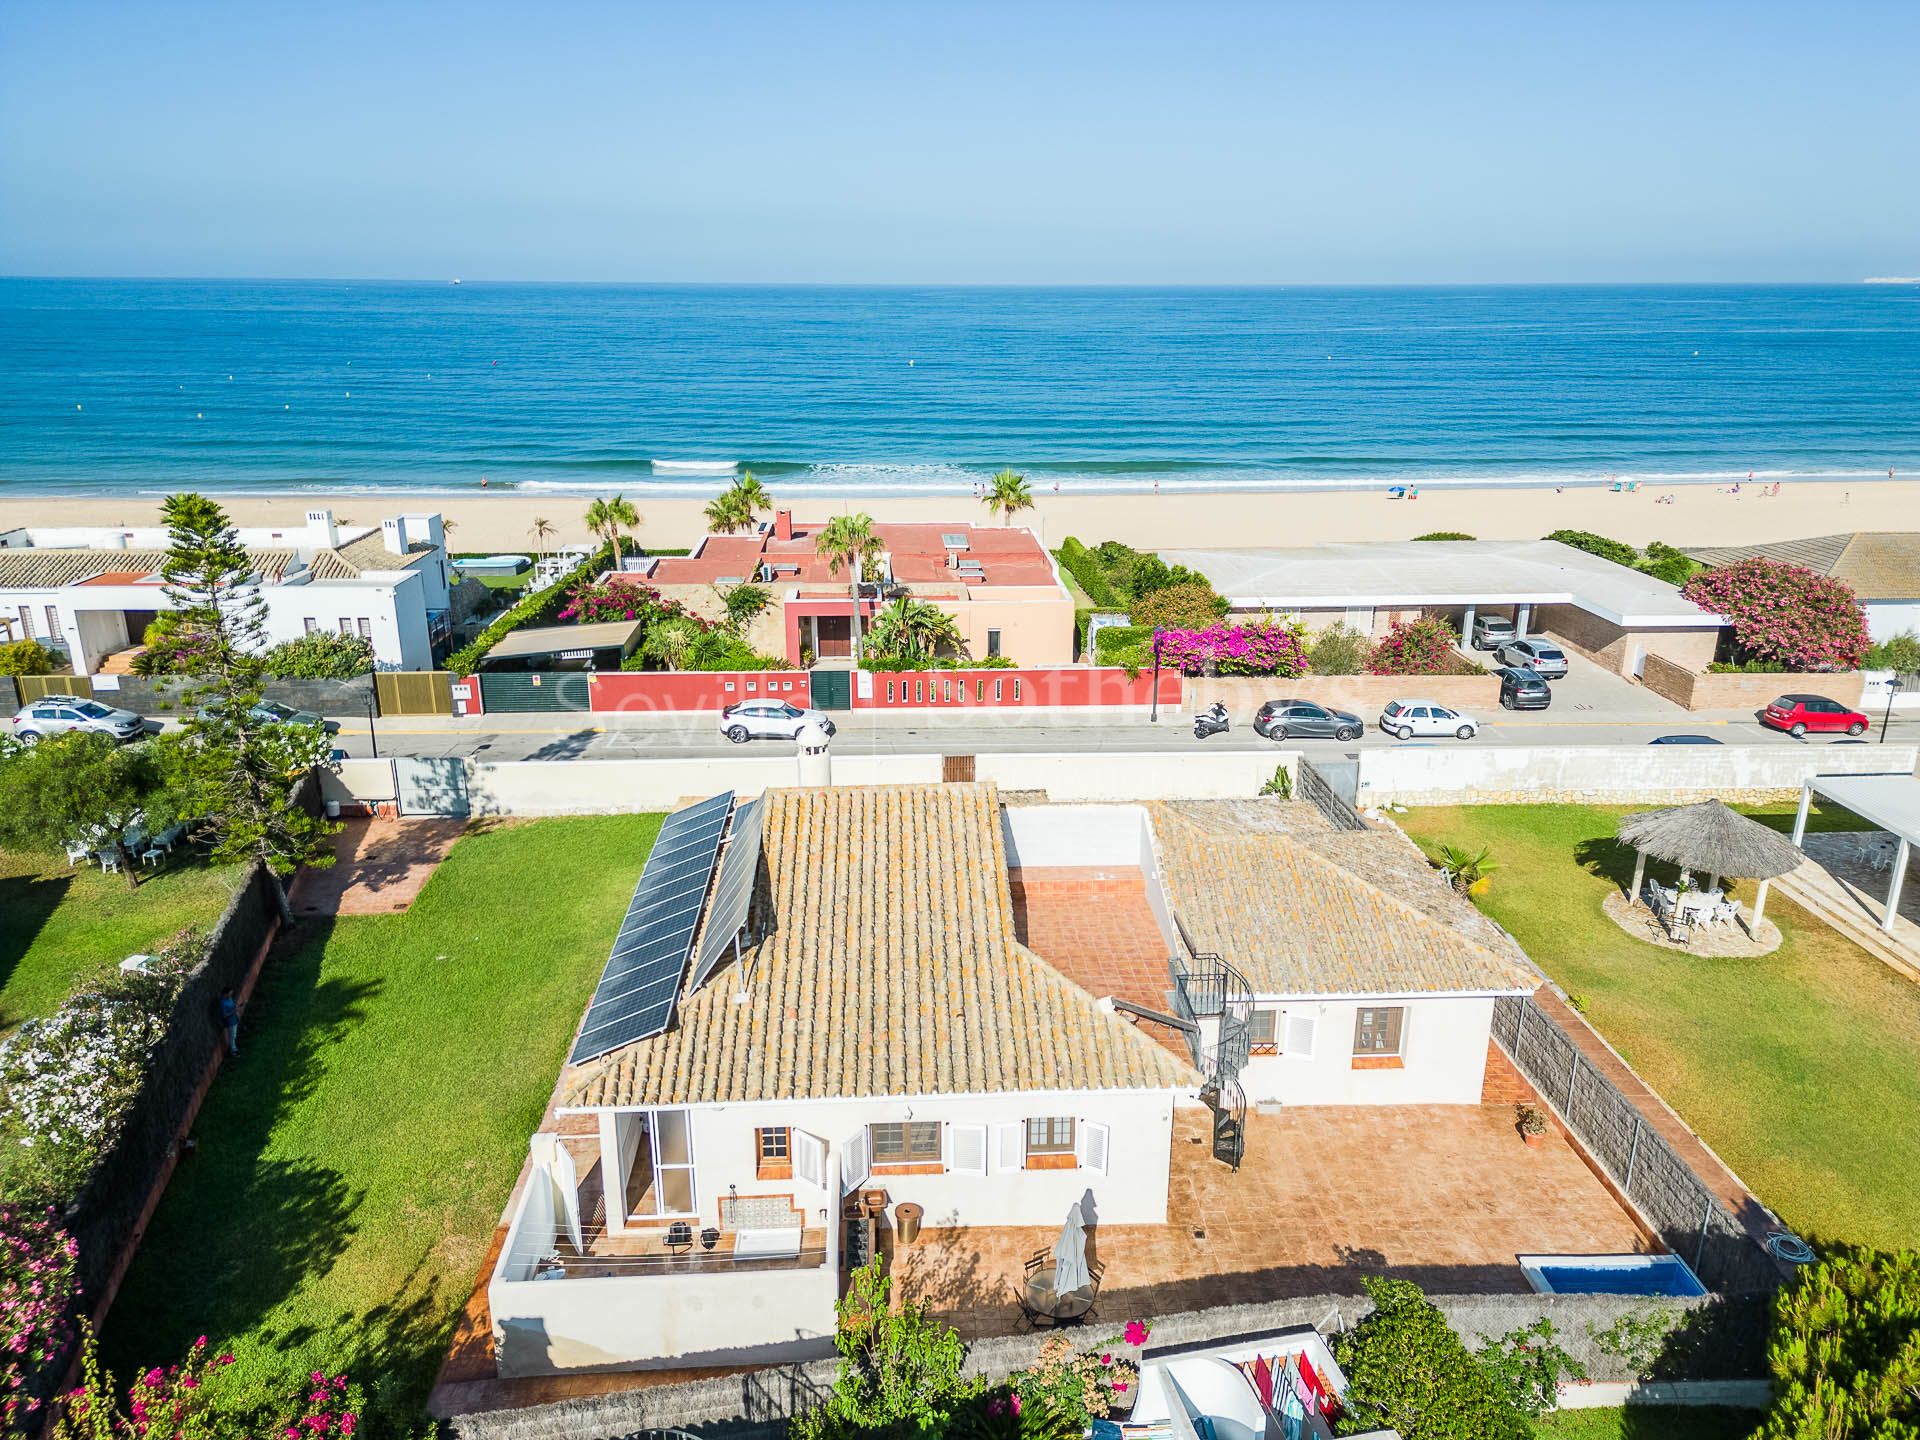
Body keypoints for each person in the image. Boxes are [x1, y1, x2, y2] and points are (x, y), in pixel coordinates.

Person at [219, 987, 239, 1057]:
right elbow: (224, 1015)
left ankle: (234, 1048)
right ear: (225, 994)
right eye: (229, 994)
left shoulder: (229, 998)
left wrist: (236, 1011)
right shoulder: (223, 1003)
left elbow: (233, 1005)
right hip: (230, 1022)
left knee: (234, 1035)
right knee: (232, 1036)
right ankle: (233, 1051)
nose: (231, 995)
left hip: (235, 1019)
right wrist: (234, 1011)